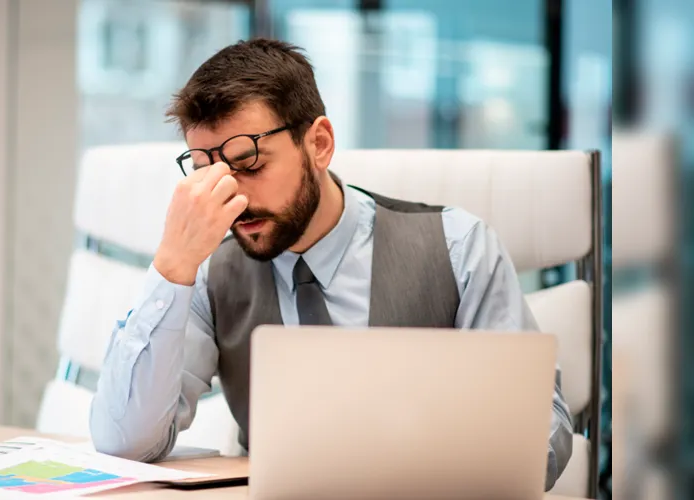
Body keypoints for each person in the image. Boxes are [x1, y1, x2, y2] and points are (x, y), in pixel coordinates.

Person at [88, 38, 573, 490]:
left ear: (318, 144)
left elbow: (542, 440)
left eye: (250, 164)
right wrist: (173, 264)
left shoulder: (460, 247)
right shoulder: (209, 270)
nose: (231, 194)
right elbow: (125, 443)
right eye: (206, 172)